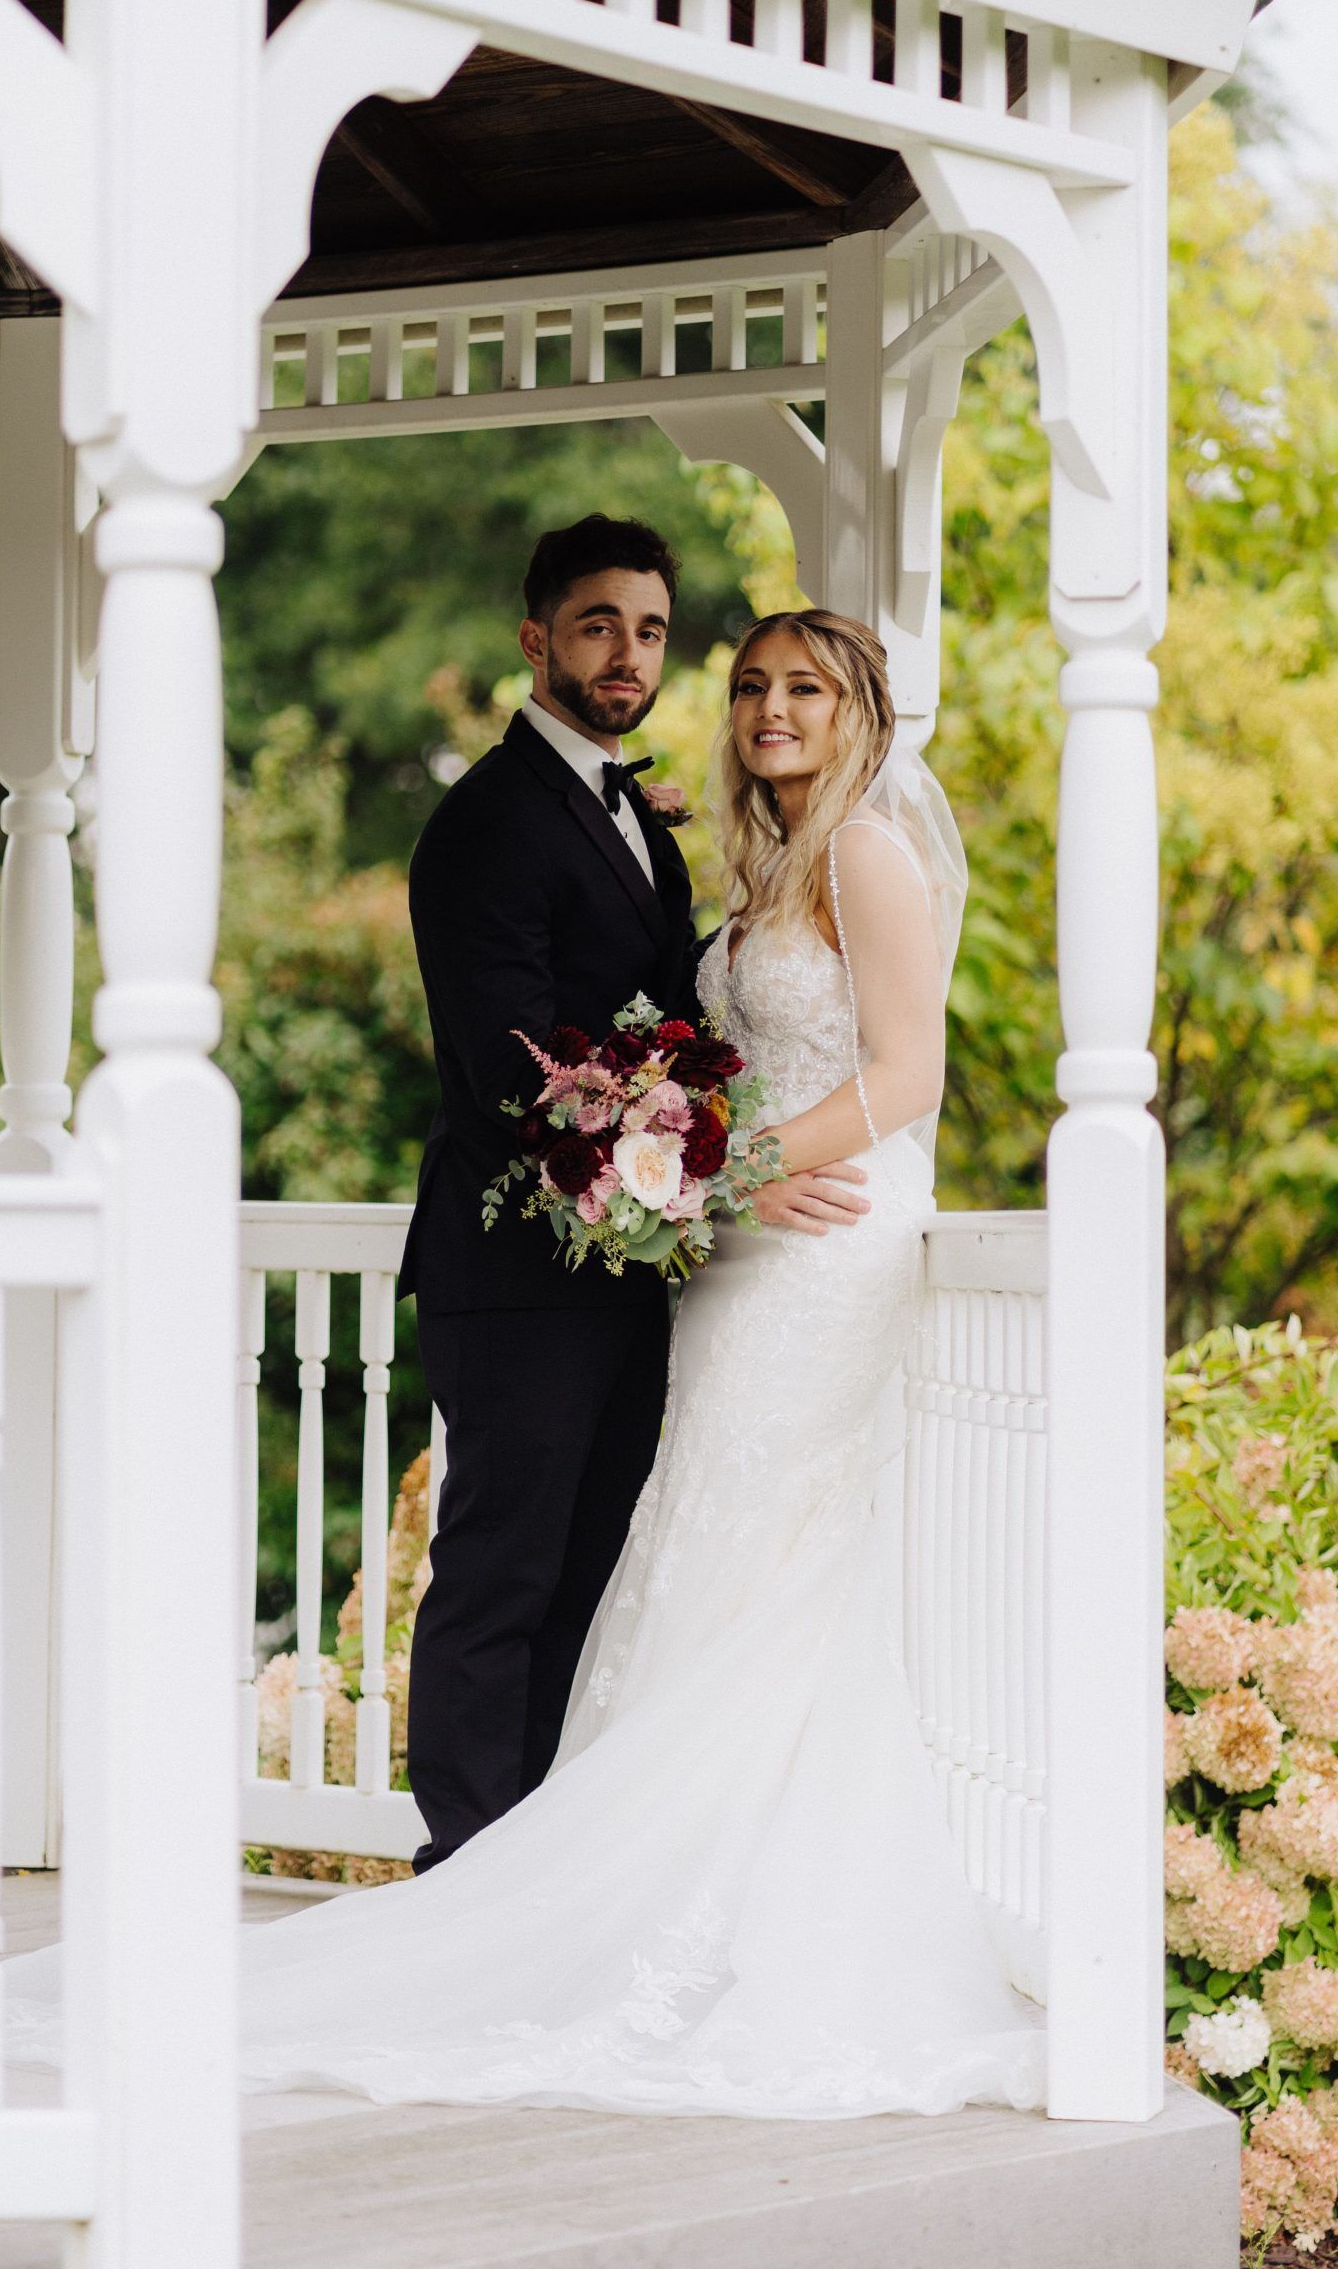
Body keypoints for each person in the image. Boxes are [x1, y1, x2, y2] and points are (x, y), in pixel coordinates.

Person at [0, 605, 1044, 2119]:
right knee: (696, 1562)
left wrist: (736, 1168)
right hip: (738, 1253)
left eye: (810, 690)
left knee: (775, 1570)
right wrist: (705, 1177)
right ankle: (629, 1900)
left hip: (823, 1254)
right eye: (758, 685)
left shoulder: (866, 860)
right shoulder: (763, 865)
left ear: (863, 715)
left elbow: (911, 1074)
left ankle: (750, 1913)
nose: (774, 709)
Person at [400, 516, 871, 1869]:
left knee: (588, 1579)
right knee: (502, 1576)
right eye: (598, 623)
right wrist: (722, 1169)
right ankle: (461, 1867)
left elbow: (673, 1028)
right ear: (536, 638)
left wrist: (702, 1170)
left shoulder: (637, 821)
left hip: (629, 1273)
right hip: (517, 1280)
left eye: (651, 629)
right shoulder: (488, 822)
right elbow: (512, 1066)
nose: (628, 653)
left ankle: (533, 1864)